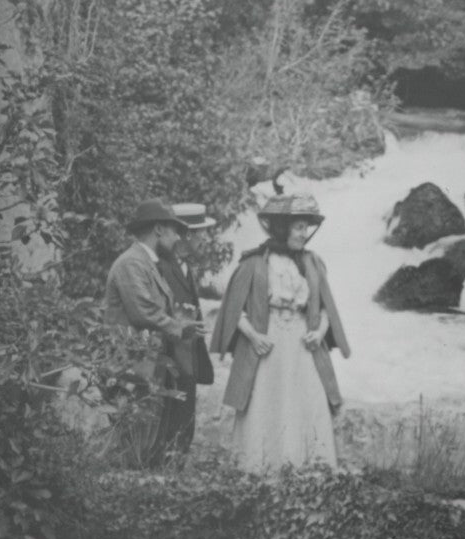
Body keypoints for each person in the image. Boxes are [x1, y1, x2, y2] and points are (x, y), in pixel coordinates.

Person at [210, 193, 350, 473]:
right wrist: (254, 336)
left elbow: (326, 308)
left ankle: (308, 467)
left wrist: (319, 332)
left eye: (305, 228)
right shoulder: (254, 263)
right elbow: (233, 309)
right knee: (266, 400)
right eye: (298, 227)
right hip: (268, 345)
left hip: (303, 346)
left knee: (308, 398)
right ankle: (260, 467)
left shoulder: (313, 263)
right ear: (282, 228)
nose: (303, 233)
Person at [104, 200, 208, 467]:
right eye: (175, 231)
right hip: (131, 365)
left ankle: (141, 486)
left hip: (146, 364)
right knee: (133, 443)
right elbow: (144, 311)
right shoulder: (131, 263)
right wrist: (180, 327)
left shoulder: (147, 263)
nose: (178, 238)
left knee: (147, 444)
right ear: (159, 229)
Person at [154, 203, 218, 457]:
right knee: (169, 421)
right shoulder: (160, 267)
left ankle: (175, 465)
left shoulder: (184, 267)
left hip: (186, 358)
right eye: (202, 233)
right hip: (169, 359)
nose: (206, 239)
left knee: (183, 420)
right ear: (187, 234)